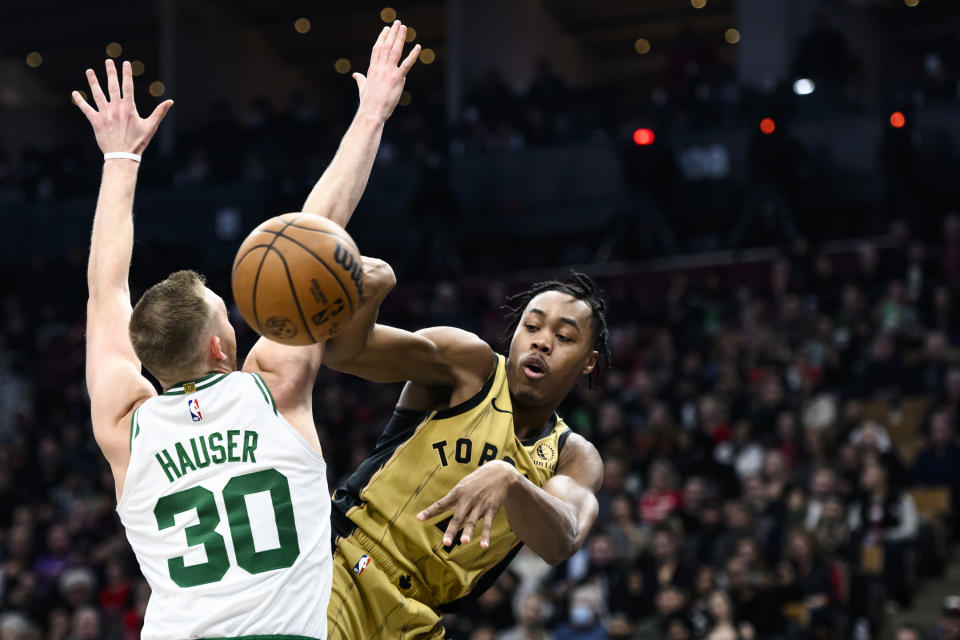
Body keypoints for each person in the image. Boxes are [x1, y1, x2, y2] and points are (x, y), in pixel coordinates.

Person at [73, 21, 419, 639]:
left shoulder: (125, 423)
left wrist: (119, 159)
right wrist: (371, 113)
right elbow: (317, 234)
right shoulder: (273, 389)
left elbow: (104, 288)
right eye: (223, 311)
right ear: (218, 344)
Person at [321, 273, 609, 637]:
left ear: (588, 361)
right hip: (345, 563)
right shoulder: (469, 364)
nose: (542, 343)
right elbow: (345, 352)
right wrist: (368, 295)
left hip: (417, 616)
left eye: (564, 337)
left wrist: (511, 482)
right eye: (532, 327)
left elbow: (561, 541)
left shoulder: (573, 456)